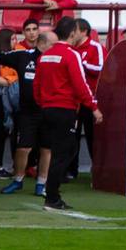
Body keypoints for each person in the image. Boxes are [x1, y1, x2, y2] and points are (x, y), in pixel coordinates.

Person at [29, 18, 100, 213]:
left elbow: (36, 85)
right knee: (65, 152)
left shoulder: (45, 56)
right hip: (64, 109)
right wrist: (93, 106)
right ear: (71, 33)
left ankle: (50, 192)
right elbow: (80, 84)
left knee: (55, 151)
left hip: (47, 109)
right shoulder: (71, 55)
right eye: (77, 31)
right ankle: (52, 195)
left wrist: (43, 103)